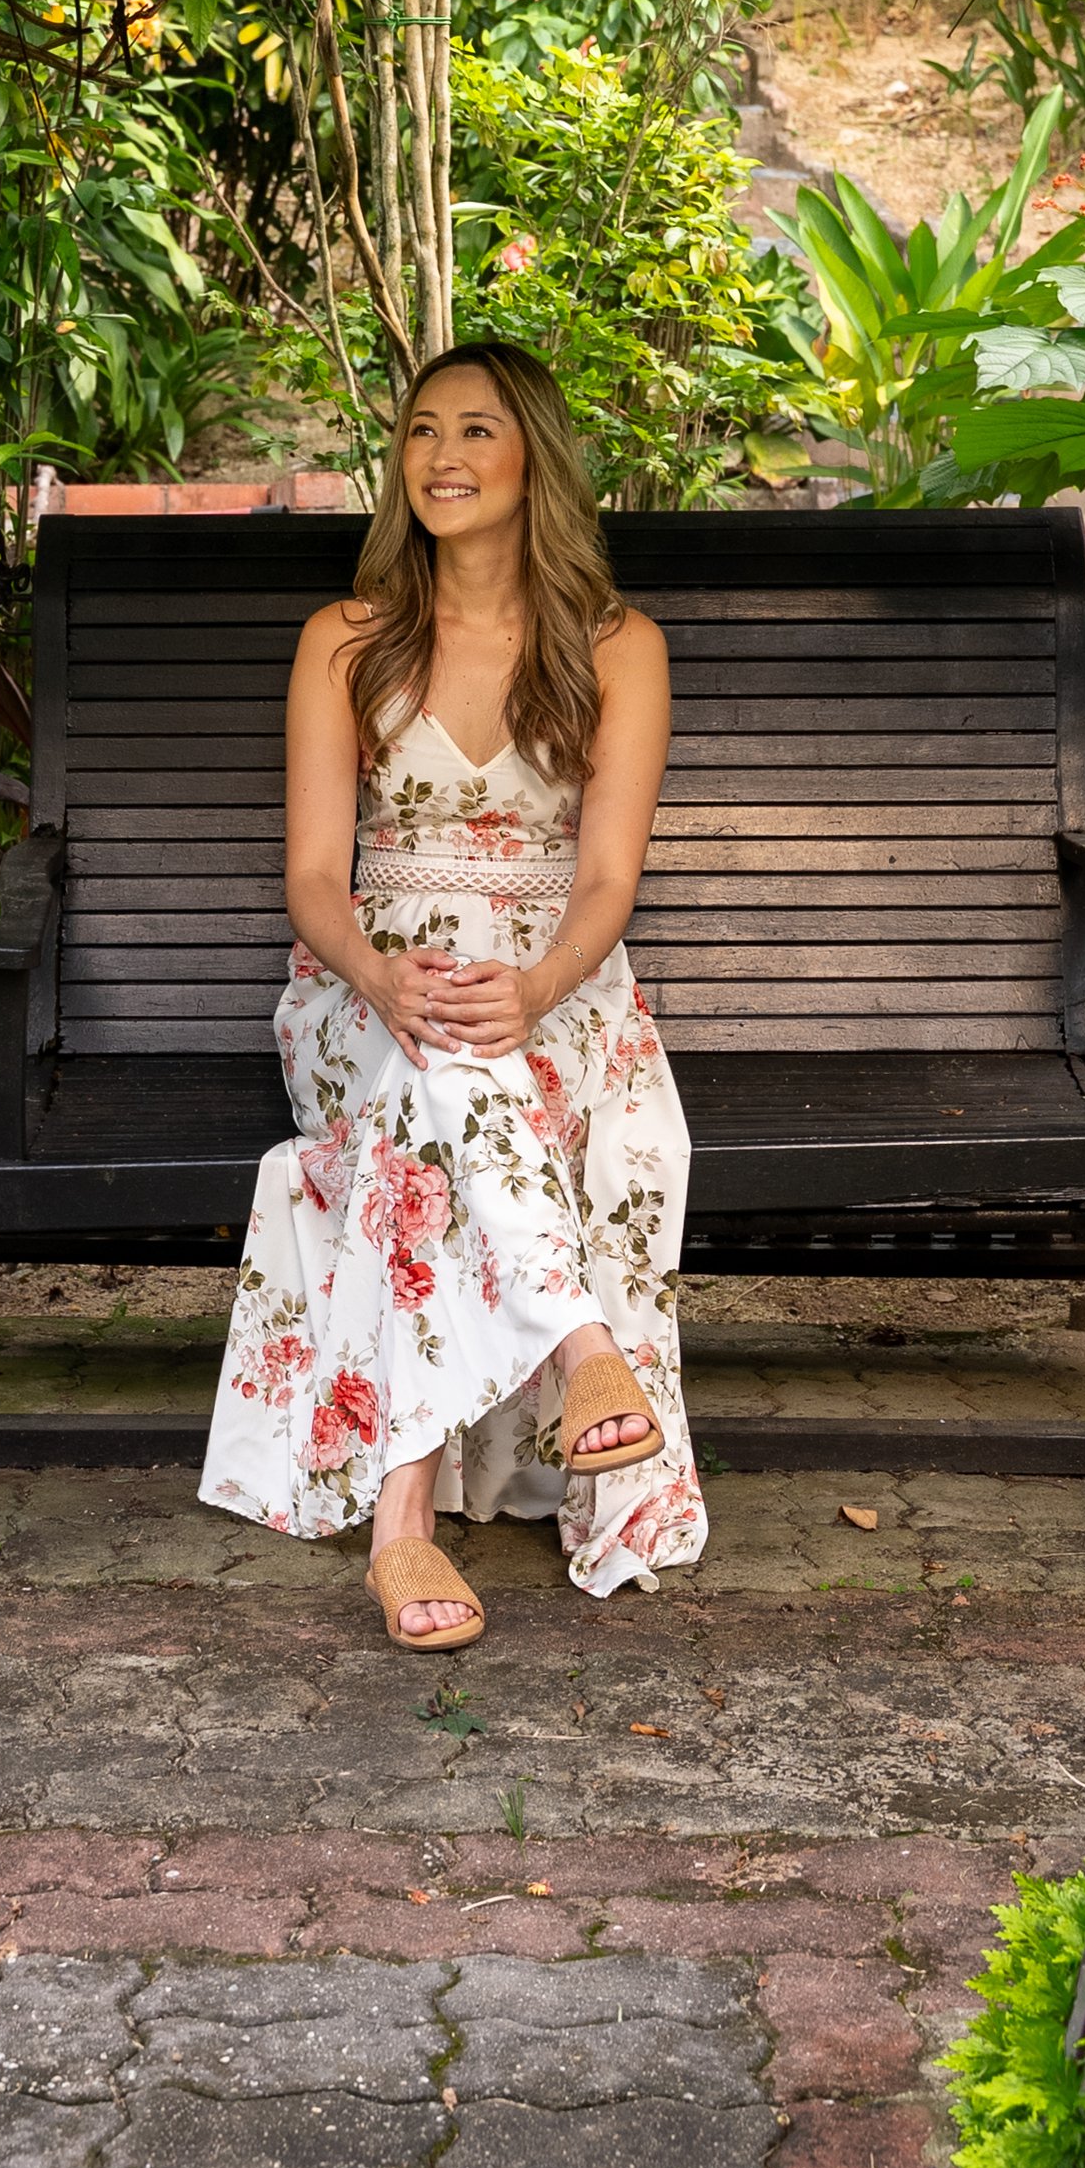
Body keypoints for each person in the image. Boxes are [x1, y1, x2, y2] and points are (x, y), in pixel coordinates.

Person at [200, 339, 707, 1646]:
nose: (441, 456)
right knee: (436, 1052)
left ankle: (402, 1524)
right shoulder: (347, 641)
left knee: (449, 1085)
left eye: (476, 430)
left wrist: (531, 990)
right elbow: (313, 878)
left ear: (535, 456)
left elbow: (609, 879)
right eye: (423, 431)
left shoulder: (618, 648)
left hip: (555, 981)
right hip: (366, 981)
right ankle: (580, 1346)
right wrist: (380, 976)